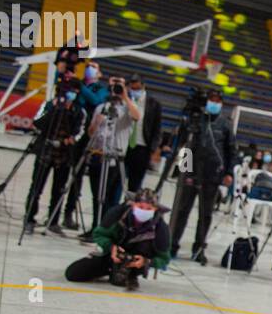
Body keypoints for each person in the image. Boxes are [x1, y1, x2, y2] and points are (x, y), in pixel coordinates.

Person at [170, 87, 235, 265]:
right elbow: (184, 145)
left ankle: (198, 248)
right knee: (182, 210)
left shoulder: (225, 124)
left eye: (218, 100)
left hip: (212, 174)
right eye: (211, 99)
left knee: (205, 214)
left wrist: (228, 173)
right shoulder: (194, 120)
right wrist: (185, 171)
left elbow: (231, 151)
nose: (214, 103)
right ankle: (172, 245)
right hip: (190, 171)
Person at [64, 188, 171, 291]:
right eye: (141, 207)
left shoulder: (161, 229)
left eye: (149, 209)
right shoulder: (117, 213)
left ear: (155, 209)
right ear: (133, 205)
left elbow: (164, 258)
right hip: (111, 256)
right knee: (73, 273)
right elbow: (98, 234)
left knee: (120, 281)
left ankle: (131, 274)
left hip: (137, 262)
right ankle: (110, 269)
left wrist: (147, 262)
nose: (144, 211)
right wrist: (111, 247)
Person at [79, 74, 140, 237]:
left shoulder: (127, 108)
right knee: (96, 195)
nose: (116, 90)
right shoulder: (102, 107)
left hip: (115, 158)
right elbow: (91, 132)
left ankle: (105, 229)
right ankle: (95, 226)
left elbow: (137, 116)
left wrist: (125, 96)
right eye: (114, 86)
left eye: (119, 86)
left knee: (109, 197)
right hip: (98, 155)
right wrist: (96, 123)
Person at [23, 78, 86, 234]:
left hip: (64, 155)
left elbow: (79, 132)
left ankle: (53, 221)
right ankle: (29, 218)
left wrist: (69, 140)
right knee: (36, 187)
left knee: (59, 190)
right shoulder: (49, 105)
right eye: (68, 90)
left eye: (74, 91)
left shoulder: (79, 111)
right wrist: (55, 108)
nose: (71, 94)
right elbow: (37, 123)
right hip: (46, 151)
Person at [61, 59, 111, 229]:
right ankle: (54, 212)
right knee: (61, 173)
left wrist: (80, 87)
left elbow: (96, 101)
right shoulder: (77, 83)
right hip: (68, 130)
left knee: (78, 175)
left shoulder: (100, 89)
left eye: (94, 67)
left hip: (86, 136)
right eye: (88, 66)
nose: (90, 68)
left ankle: (69, 212)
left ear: (99, 73)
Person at [123, 73, 162, 192]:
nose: (135, 91)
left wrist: (154, 149)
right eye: (132, 88)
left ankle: (130, 208)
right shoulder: (125, 100)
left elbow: (157, 128)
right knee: (117, 180)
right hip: (124, 145)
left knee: (135, 184)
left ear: (144, 86)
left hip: (142, 147)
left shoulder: (153, 103)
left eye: (137, 88)